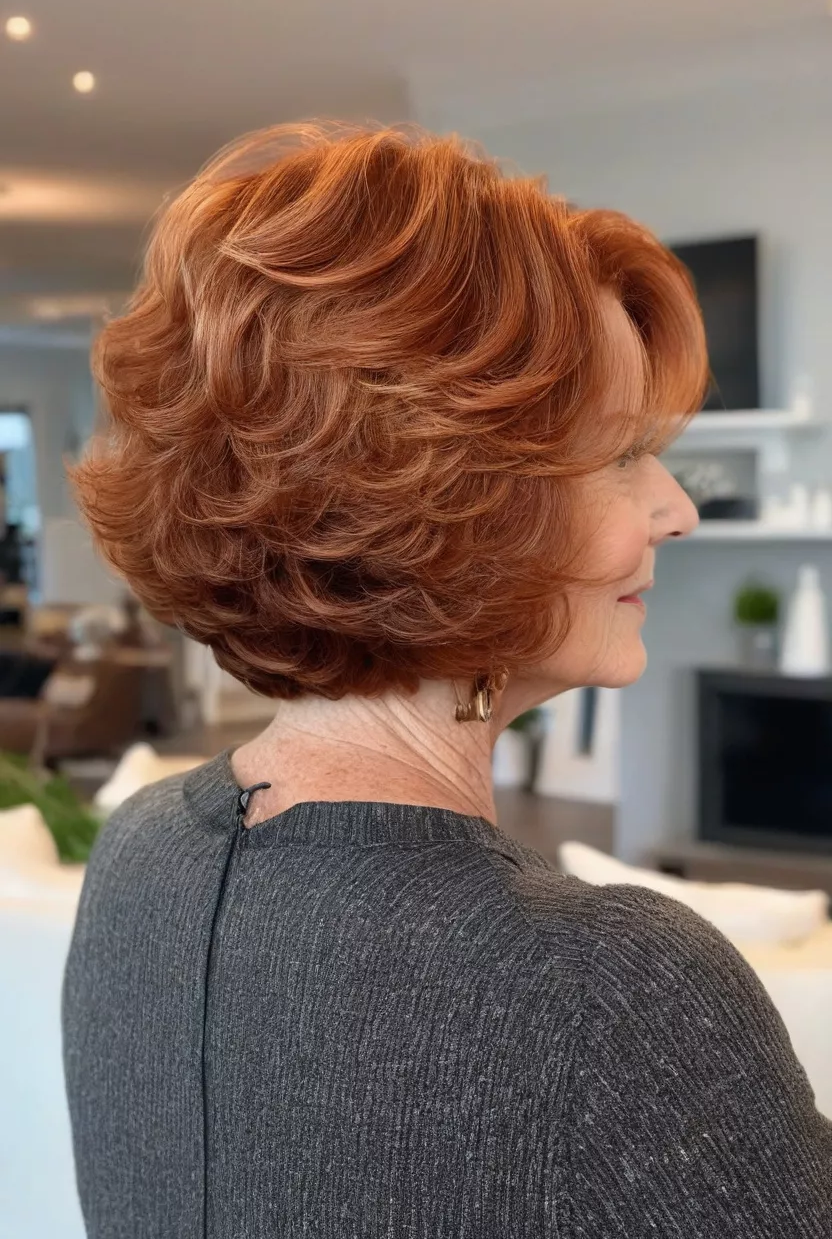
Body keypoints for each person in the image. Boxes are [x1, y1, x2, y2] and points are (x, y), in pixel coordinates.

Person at [62, 123, 831, 1237]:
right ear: (460, 508)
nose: (676, 507)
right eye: (621, 455)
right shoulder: (612, 986)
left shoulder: (138, 848)